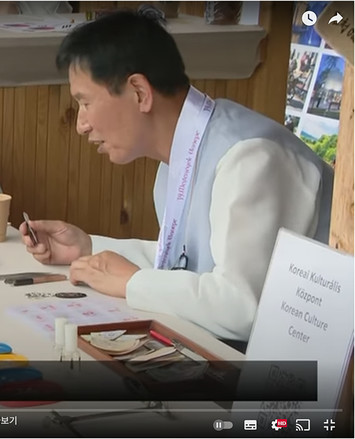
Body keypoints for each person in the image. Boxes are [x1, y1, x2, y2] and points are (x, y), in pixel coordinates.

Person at [20, 11, 333, 345]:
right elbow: (187, 264)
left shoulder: (249, 157)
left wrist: (132, 283)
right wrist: (88, 249)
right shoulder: (183, 151)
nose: (81, 124)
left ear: (139, 92)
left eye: (85, 103)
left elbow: (243, 307)